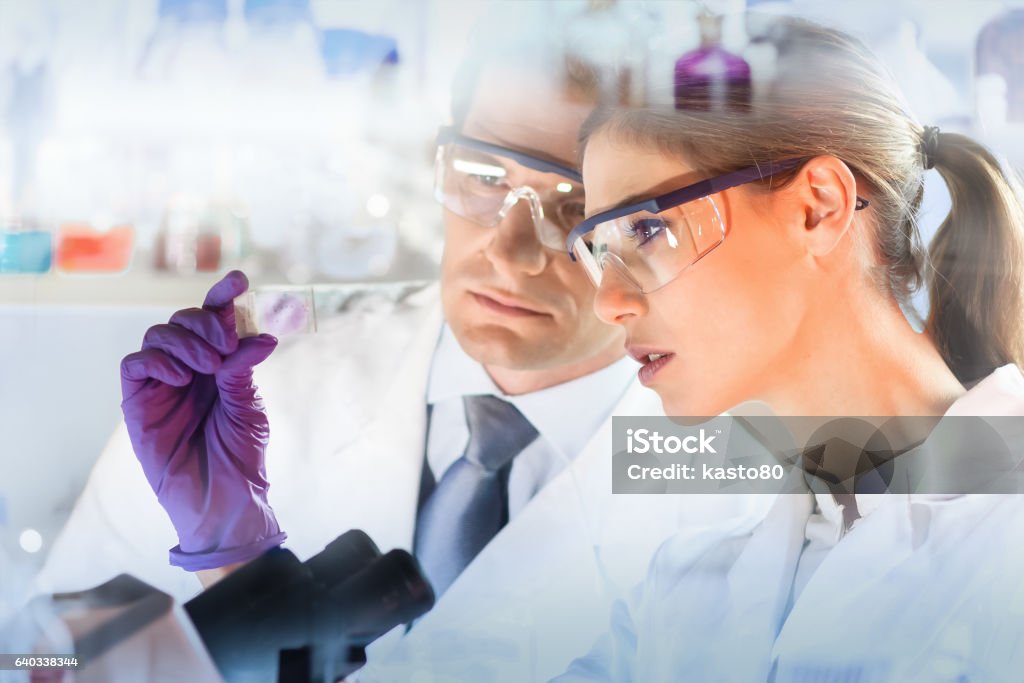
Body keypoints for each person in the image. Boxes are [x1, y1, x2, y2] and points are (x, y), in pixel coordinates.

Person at [32, 14, 764, 683]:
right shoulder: (257, 391)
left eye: (581, 207)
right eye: (484, 175)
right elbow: (34, 657)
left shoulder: (748, 477)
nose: (511, 253)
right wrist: (229, 590)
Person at [553, 15, 1024, 682]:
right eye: (600, 250)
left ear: (819, 207)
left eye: (650, 228)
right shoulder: (680, 591)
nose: (609, 301)